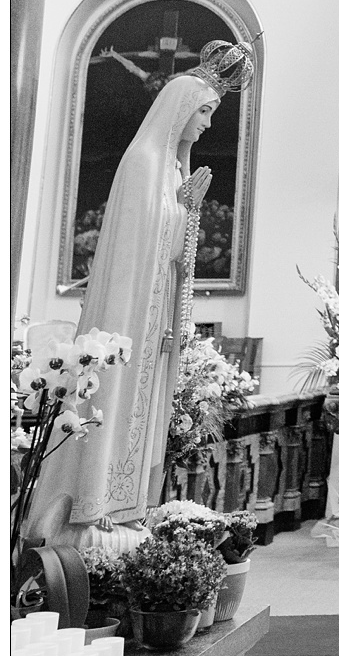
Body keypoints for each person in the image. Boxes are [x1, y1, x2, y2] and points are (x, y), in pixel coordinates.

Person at [28, 72, 225, 531]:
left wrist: (188, 204)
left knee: (147, 414)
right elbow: (144, 244)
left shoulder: (171, 166)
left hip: (154, 317)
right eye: (203, 112)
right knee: (116, 403)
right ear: (178, 109)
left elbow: (175, 249)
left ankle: (130, 506)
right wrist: (186, 210)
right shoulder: (142, 161)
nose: (208, 124)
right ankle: (97, 505)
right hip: (130, 312)